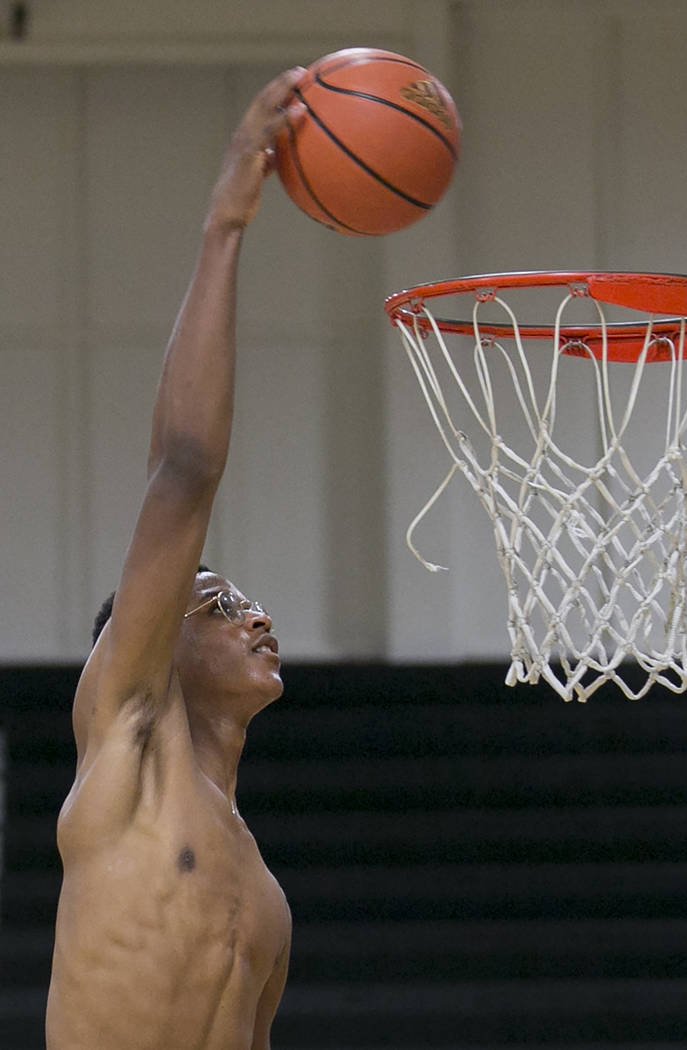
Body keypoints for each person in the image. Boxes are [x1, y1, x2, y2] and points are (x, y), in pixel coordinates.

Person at [45, 68, 307, 1050]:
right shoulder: (128, 744)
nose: (253, 615)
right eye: (216, 605)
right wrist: (227, 225)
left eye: (241, 599)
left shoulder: (265, 893)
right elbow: (185, 470)